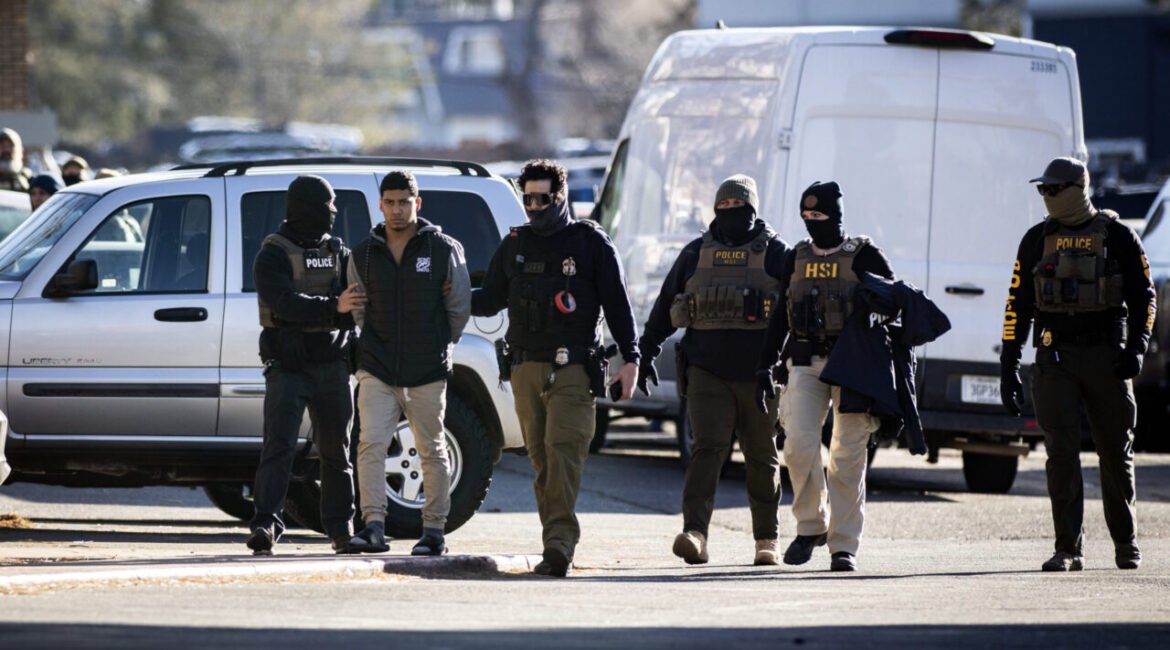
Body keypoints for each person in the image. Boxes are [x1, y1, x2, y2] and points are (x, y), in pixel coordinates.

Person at [471, 159, 639, 577]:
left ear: (561, 196)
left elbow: (618, 306)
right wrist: (444, 288)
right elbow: (488, 299)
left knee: (564, 454)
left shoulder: (590, 244)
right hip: (525, 368)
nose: (534, 206)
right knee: (542, 460)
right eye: (527, 198)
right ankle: (556, 537)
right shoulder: (515, 244)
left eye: (543, 198)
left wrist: (631, 360)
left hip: (573, 368)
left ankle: (559, 544)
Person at [999, 157, 1155, 572]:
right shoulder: (1036, 239)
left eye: (1053, 189)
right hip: (1054, 358)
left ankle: (1126, 543)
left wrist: (1136, 348)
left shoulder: (1119, 236)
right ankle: (1068, 548)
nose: (1046, 197)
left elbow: (1145, 298)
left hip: (1108, 358)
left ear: (1077, 188)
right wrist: (1009, 362)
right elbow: (1018, 304)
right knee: (1061, 455)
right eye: (1042, 190)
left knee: (1114, 454)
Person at [638, 174, 789, 566]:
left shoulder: (776, 253)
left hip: (760, 373)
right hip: (707, 371)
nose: (728, 214)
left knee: (762, 456)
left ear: (752, 209)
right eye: (722, 208)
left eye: (736, 207)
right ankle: (695, 534)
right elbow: (664, 305)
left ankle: (766, 540)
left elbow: (795, 313)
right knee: (707, 451)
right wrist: (645, 352)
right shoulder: (694, 254)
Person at [756, 181, 895, 572]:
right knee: (798, 445)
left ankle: (843, 546)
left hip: (852, 369)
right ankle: (811, 527)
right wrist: (764, 365)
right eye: (806, 216)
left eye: (818, 216)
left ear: (835, 216)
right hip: (804, 361)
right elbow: (779, 316)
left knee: (846, 459)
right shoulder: (795, 257)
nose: (812, 223)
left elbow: (893, 306)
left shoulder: (865, 255)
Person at [345, 171, 472, 556]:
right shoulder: (364, 252)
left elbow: (459, 309)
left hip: (427, 369)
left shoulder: (442, 249)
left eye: (404, 202)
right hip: (377, 366)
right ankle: (373, 527)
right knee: (370, 445)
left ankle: (434, 532)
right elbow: (359, 309)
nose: (397, 210)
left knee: (431, 448)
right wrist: (379, 346)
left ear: (418, 204)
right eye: (390, 202)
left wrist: (435, 345)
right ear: (380, 205)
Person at [246, 174, 364, 556]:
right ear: (306, 208)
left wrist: (336, 313)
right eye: (326, 206)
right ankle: (265, 524)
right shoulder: (273, 253)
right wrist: (333, 309)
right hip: (289, 364)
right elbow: (285, 304)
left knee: (337, 452)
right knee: (278, 447)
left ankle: (342, 530)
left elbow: (354, 305)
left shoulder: (338, 251)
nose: (332, 213)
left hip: (332, 364)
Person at [0, 128, 33, 192]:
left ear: (21, 152)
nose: (6, 150)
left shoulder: (31, 181)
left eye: (11, 146)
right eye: (2, 145)